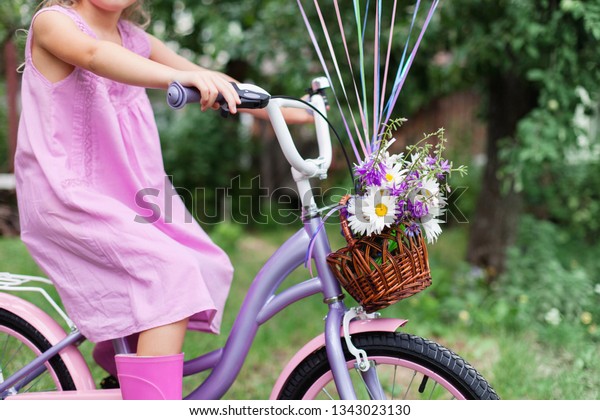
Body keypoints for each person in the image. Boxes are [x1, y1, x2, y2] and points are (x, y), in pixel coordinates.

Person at [16, 0, 311, 400]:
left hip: (128, 198)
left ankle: (129, 374)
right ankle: (150, 400)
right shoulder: (53, 23)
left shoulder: (136, 41)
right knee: (170, 272)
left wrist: (295, 111)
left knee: (203, 261)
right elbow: (93, 54)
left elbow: (216, 81)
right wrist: (180, 76)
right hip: (67, 194)